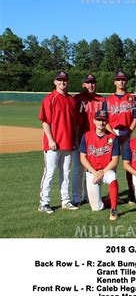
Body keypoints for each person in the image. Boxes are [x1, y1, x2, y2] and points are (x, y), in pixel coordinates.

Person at [38, 71, 78, 213]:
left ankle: (65, 201)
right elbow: (45, 121)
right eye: (59, 80)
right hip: (53, 144)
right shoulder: (50, 99)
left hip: (68, 144)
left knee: (66, 173)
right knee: (50, 173)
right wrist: (50, 139)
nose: (62, 82)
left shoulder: (72, 100)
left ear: (67, 81)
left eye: (64, 80)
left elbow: (74, 124)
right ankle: (44, 203)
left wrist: (74, 140)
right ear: (55, 82)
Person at [104, 70, 136, 204]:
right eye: (118, 79)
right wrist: (112, 134)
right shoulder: (108, 100)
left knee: (128, 163)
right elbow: (104, 119)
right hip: (112, 133)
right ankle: (111, 195)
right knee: (111, 165)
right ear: (115, 82)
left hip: (126, 132)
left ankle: (132, 194)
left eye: (123, 79)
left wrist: (129, 133)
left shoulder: (132, 98)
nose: (121, 81)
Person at [79, 110, 120, 220]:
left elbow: (115, 160)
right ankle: (111, 199)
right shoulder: (86, 136)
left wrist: (102, 172)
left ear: (107, 122)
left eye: (103, 120)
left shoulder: (113, 138)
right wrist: (94, 172)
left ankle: (114, 208)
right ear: (94, 121)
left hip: (106, 171)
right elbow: (82, 158)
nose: (101, 122)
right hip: (92, 173)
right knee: (96, 208)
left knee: (112, 176)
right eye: (99, 120)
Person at [72, 73, 105, 206]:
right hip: (81, 139)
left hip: (96, 141)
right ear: (83, 85)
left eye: (93, 82)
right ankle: (76, 198)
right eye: (88, 82)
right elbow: (74, 122)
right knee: (78, 169)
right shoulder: (77, 99)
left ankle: (88, 196)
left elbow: (106, 121)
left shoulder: (101, 100)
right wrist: (74, 139)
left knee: (92, 169)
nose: (91, 85)